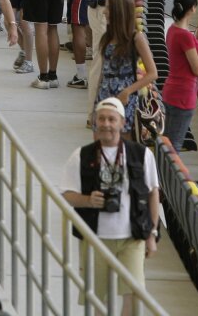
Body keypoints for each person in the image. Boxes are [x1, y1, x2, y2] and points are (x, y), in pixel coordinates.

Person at [60, 97, 160, 315]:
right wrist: (87, 200)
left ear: (122, 123)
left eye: (111, 119)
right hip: (95, 237)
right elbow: (66, 194)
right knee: (96, 298)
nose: (106, 124)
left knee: (135, 296)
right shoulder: (81, 155)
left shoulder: (142, 154)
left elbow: (153, 193)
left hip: (131, 237)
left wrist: (152, 233)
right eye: (102, 119)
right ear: (95, 122)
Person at [94, 0, 158, 130]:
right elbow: (104, 71)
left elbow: (153, 73)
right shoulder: (107, 37)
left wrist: (128, 91)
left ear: (119, 12)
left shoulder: (136, 38)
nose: (105, 12)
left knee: (122, 143)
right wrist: (96, 99)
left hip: (124, 99)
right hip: (105, 95)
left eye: (108, 8)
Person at [161, 0, 198, 149]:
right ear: (193, 8)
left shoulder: (173, 30)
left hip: (171, 91)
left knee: (167, 141)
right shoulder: (185, 36)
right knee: (175, 144)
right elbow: (196, 69)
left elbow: (184, 64)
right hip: (183, 95)